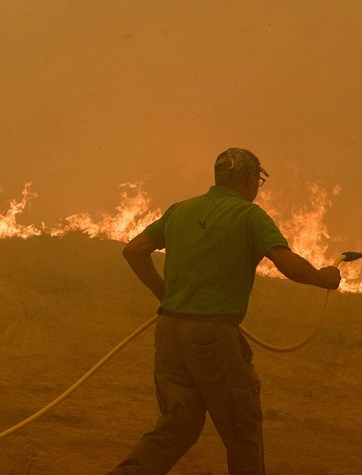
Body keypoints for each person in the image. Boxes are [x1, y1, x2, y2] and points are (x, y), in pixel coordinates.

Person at [109, 148, 342, 475]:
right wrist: (323, 278)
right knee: (242, 427)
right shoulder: (250, 216)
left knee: (178, 425)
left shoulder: (181, 210)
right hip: (213, 337)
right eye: (258, 181)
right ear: (250, 180)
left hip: (170, 331)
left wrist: (167, 296)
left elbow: (134, 251)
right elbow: (290, 265)